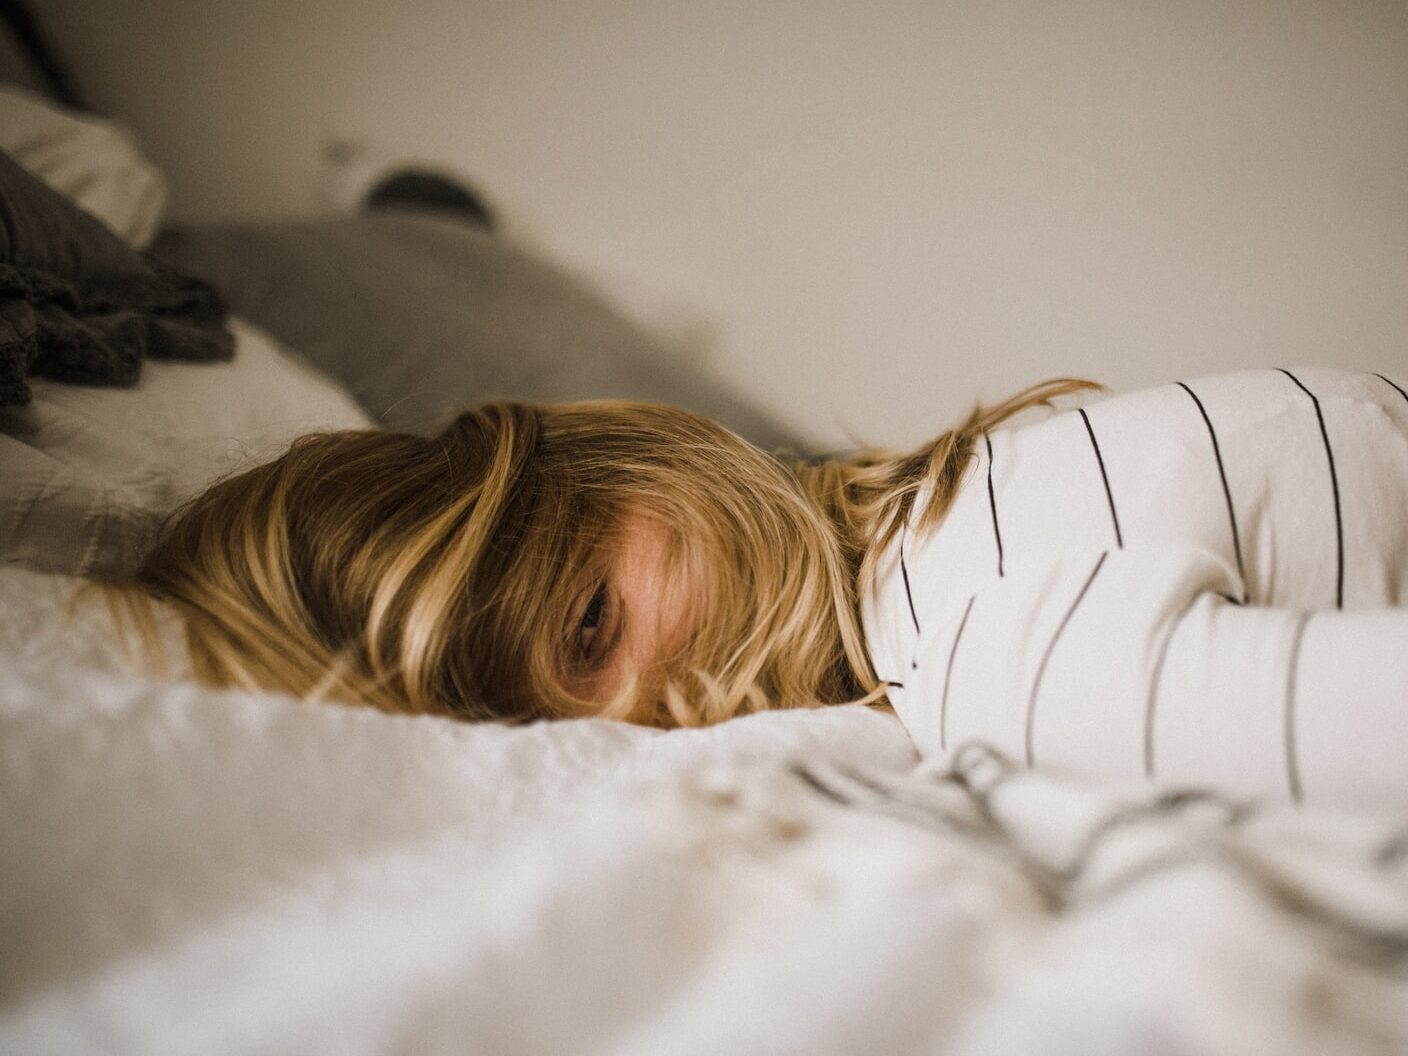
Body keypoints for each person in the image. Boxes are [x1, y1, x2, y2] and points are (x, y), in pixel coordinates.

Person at [117, 369, 1408, 807]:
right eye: (552, 733)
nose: (636, 721)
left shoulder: (988, 654)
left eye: (590, 623)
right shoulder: (953, 506)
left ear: (642, 462)